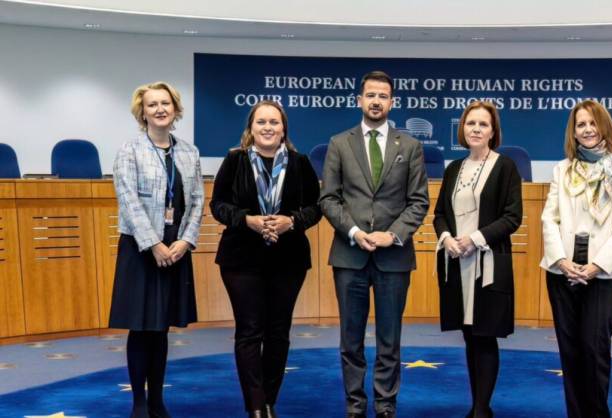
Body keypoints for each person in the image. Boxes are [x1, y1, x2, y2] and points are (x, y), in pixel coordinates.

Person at [319, 70, 429, 418]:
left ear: (392, 102)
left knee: (389, 339)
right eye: (371, 95)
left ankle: (385, 405)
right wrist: (354, 231)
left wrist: (392, 235)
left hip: (393, 257)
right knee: (350, 339)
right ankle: (355, 404)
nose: (376, 101)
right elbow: (329, 198)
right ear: (359, 100)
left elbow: (419, 202)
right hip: (349, 255)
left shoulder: (409, 146)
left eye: (383, 96)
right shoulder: (339, 143)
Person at [210, 100, 321, 418]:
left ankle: (269, 400)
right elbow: (218, 205)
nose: (268, 127)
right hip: (241, 259)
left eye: (274, 122)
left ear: (284, 128)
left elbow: (316, 207)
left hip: (288, 260)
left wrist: (292, 221)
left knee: (278, 332)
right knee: (249, 331)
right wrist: (247, 220)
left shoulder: (300, 163)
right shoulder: (235, 160)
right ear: (251, 128)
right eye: (261, 122)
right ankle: (256, 406)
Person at [109, 81, 204, 418]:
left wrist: (185, 241)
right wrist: (153, 244)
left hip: (175, 249)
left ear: (175, 109)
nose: (160, 109)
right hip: (140, 249)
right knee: (141, 327)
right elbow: (128, 201)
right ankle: (138, 402)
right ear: (143, 112)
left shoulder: (189, 152)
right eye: (152, 105)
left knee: (161, 328)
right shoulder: (129, 150)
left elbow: (197, 200)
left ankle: (157, 401)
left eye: (166, 103)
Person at [540, 99, 612, 418]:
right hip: (563, 271)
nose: (587, 129)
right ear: (573, 131)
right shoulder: (562, 169)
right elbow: (549, 218)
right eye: (581, 124)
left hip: (603, 274)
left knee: (594, 351)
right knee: (570, 353)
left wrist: (597, 266)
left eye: (593, 123)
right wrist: (561, 261)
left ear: (604, 127)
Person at [433, 101, 522, 418]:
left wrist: (475, 238)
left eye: (483, 124)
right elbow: (439, 214)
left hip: (488, 264)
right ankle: (477, 406)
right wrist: (447, 238)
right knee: (469, 336)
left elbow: (512, 217)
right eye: (471, 123)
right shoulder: (453, 169)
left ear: (493, 131)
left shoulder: (505, 167)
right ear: (462, 128)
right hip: (457, 263)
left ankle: (482, 410)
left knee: (485, 336)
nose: (476, 129)